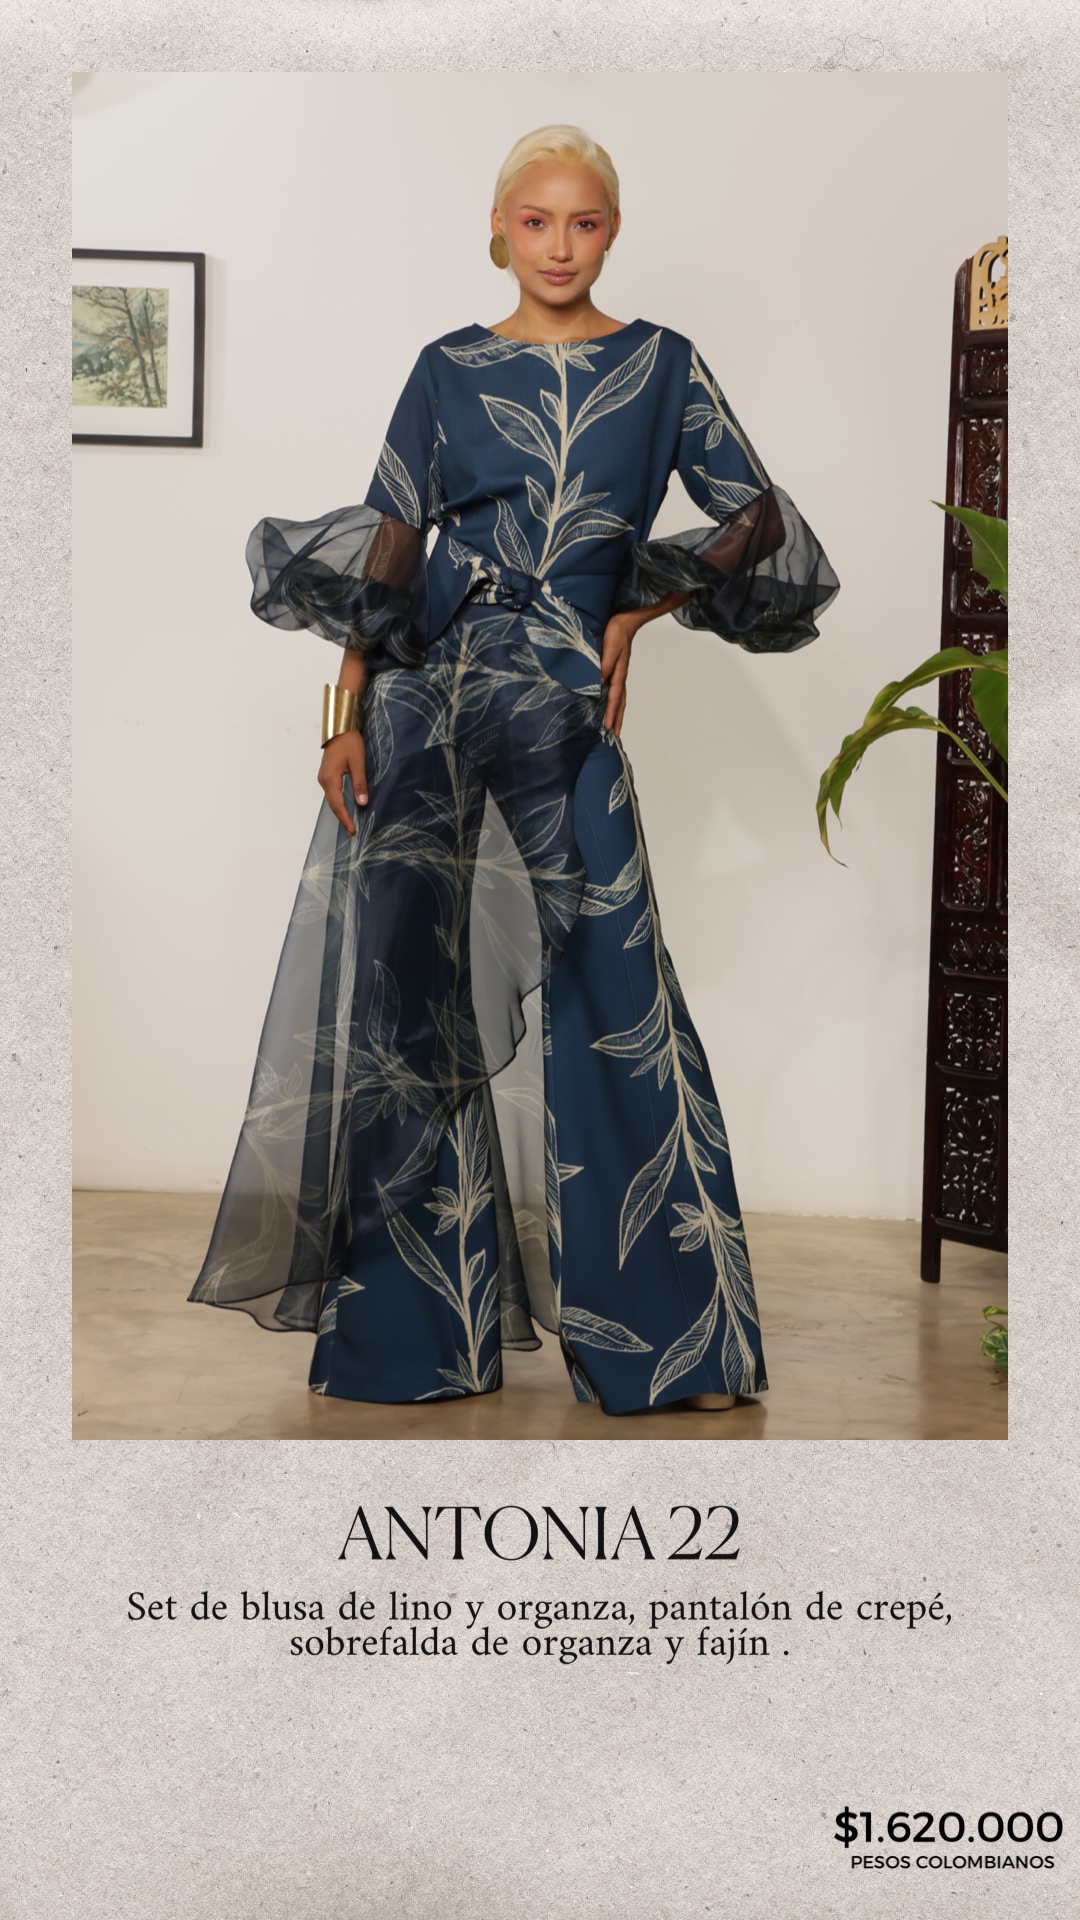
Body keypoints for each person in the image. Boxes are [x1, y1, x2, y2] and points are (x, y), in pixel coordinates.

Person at [189, 124, 839, 1416]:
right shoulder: (447, 369)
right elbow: (391, 550)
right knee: (406, 998)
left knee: (618, 983)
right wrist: (345, 714)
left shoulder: (660, 365)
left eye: (584, 222)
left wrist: (635, 609)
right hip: (428, 696)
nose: (560, 245)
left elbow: (755, 515)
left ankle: (668, 1345)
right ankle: (408, 1341)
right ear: (501, 229)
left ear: (612, 232)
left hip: (562, 709)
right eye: (536, 221)